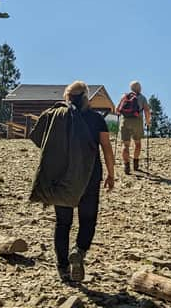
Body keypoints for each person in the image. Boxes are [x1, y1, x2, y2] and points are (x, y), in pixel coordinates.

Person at [29, 81, 115, 283]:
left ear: (67, 97)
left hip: (61, 175)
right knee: (88, 219)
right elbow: (106, 148)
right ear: (86, 97)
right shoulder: (95, 119)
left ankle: (62, 267)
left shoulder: (56, 116)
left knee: (63, 223)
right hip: (89, 175)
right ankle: (79, 250)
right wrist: (111, 173)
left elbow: (39, 138)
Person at [116, 80, 150, 175]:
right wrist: (148, 122)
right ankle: (135, 164)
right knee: (137, 143)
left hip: (125, 121)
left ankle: (126, 166)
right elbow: (147, 111)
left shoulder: (124, 96)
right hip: (137, 122)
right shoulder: (142, 98)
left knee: (125, 145)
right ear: (140, 88)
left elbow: (117, 110)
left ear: (131, 88)